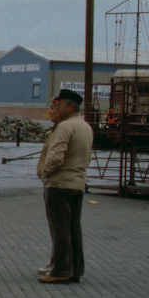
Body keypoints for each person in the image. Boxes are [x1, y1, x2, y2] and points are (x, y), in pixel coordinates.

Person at [36, 89, 93, 284]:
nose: (56, 108)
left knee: (59, 229)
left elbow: (56, 157)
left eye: (59, 105)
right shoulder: (85, 126)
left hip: (59, 185)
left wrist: (45, 173)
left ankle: (60, 271)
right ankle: (75, 269)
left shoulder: (65, 127)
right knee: (73, 229)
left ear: (70, 107)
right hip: (77, 184)